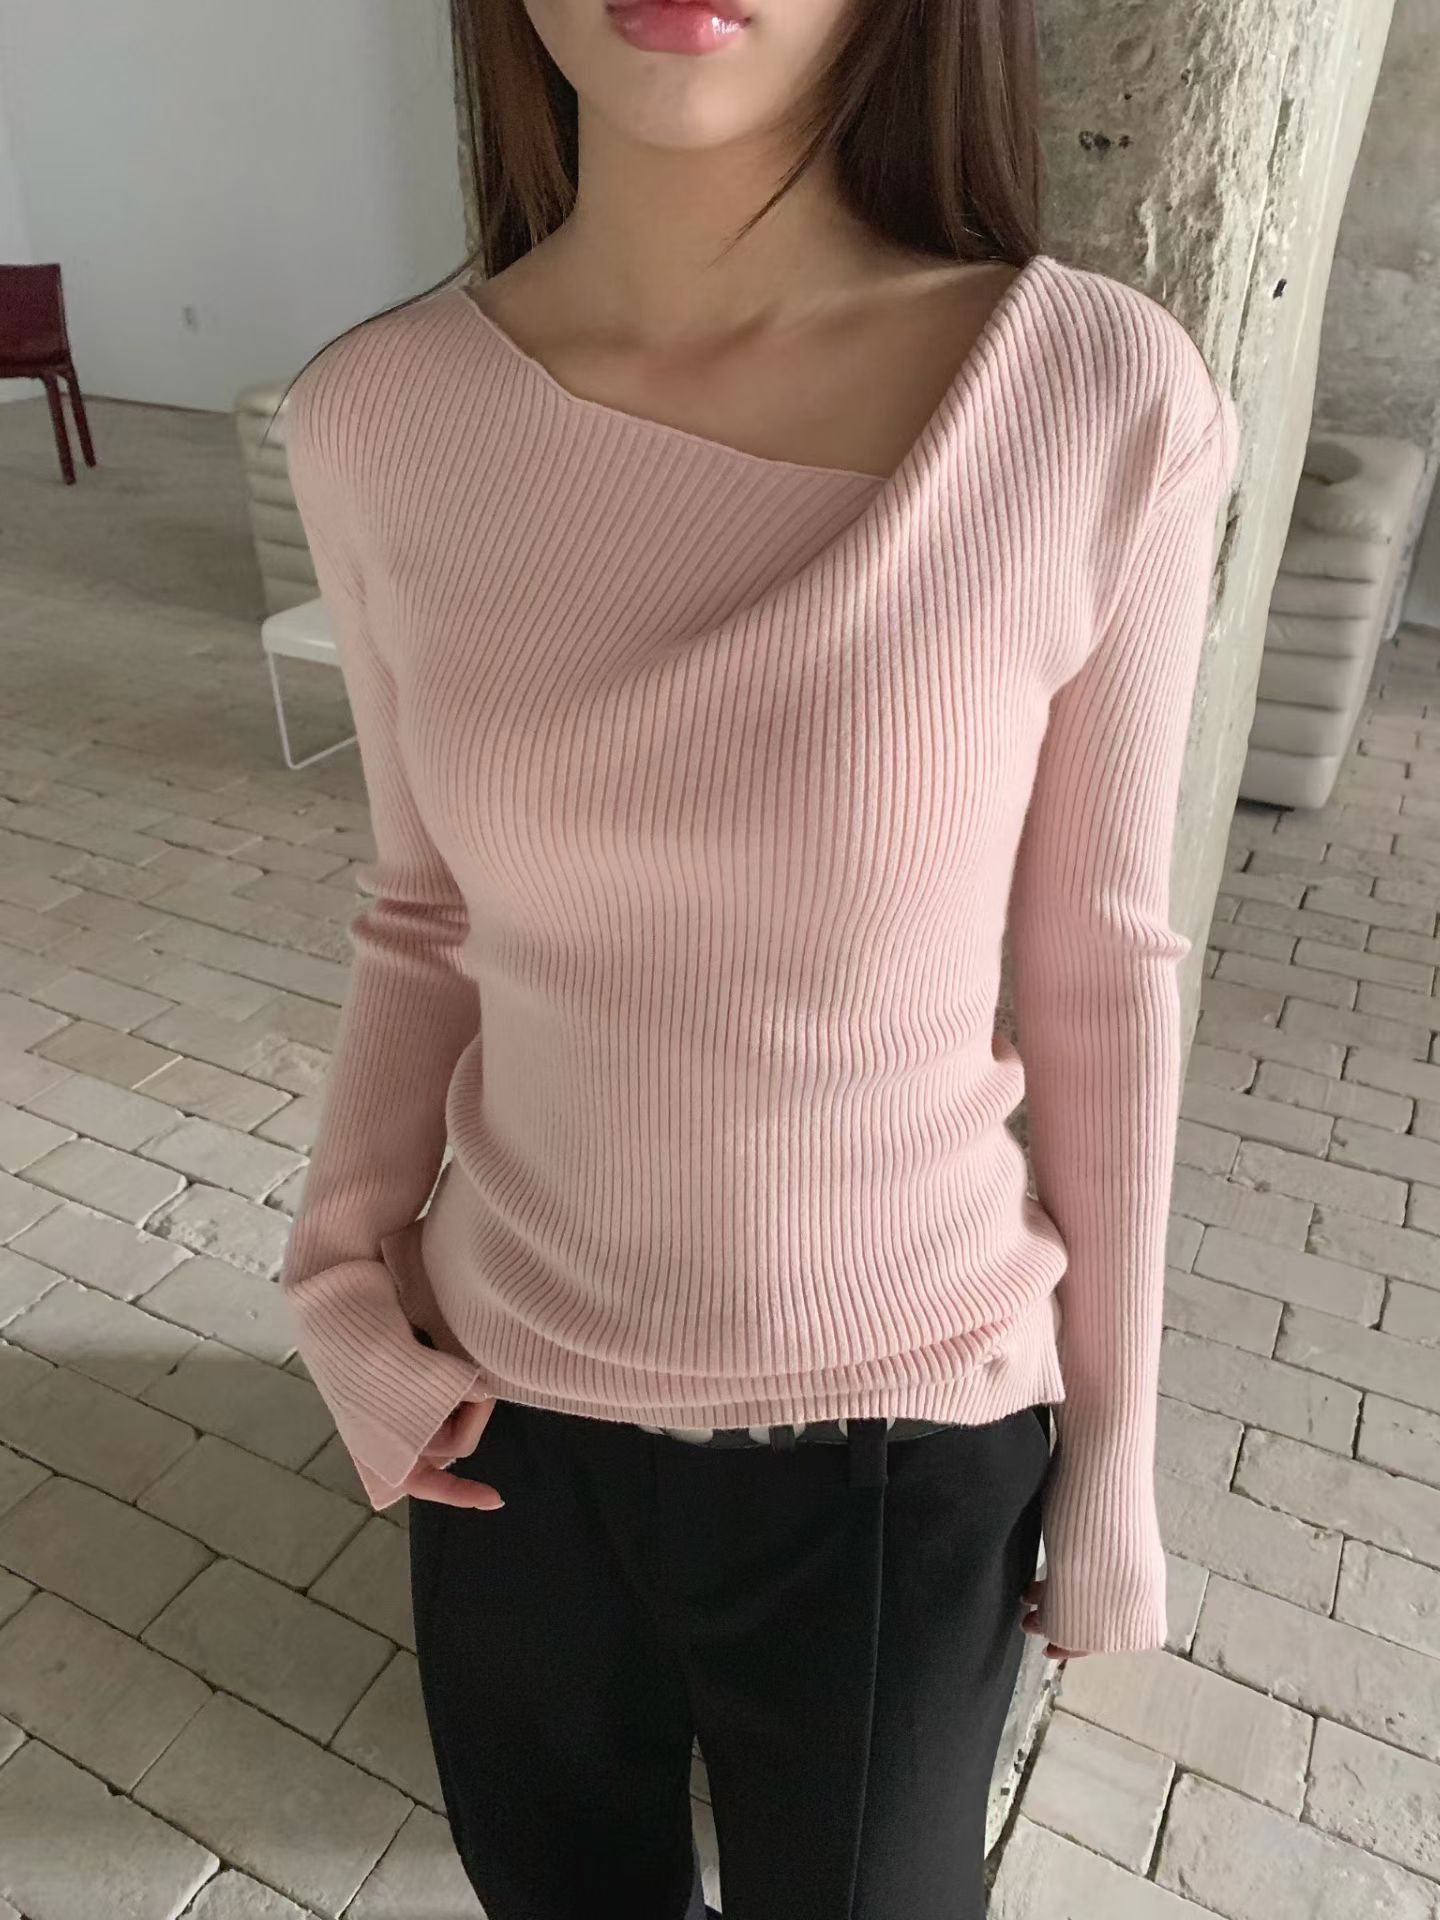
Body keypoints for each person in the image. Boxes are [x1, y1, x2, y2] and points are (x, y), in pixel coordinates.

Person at [277, 1, 1239, 1915]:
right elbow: (425, 914)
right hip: (507, 1433)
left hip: (897, 1448)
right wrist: (337, 1283)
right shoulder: (377, 417)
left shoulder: (1091, 396)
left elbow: (1100, 971)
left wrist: (1118, 1454)